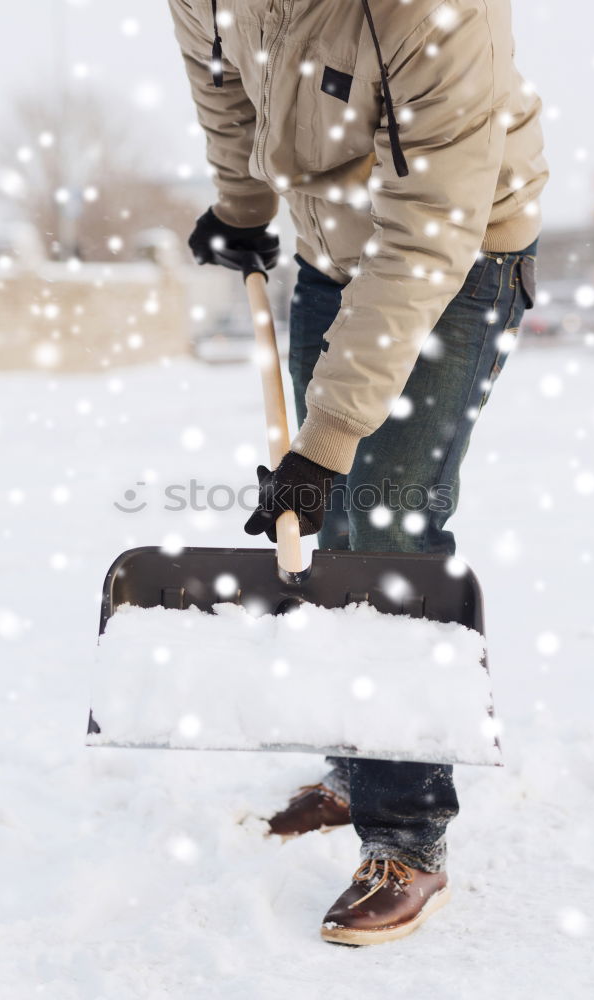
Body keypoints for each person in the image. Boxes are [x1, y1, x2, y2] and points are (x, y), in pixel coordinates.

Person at [168, 0, 548, 945]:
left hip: (456, 260)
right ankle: (361, 764)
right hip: (333, 253)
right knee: (330, 536)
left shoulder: (432, 11)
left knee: (387, 535)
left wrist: (327, 437)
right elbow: (227, 90)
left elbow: (428, 236)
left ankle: (408, 838)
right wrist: (242, 206)